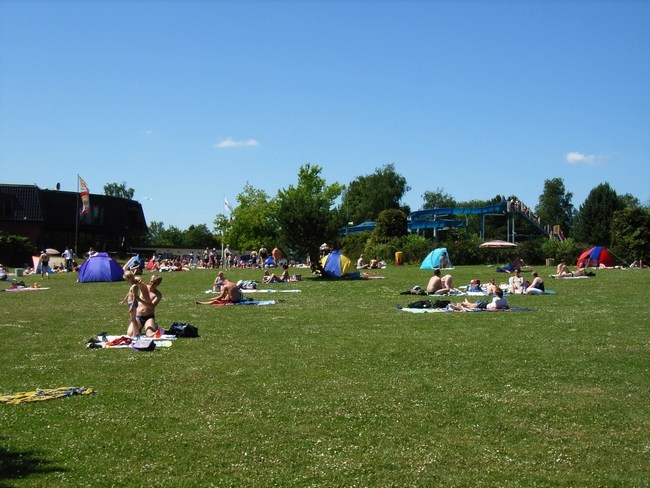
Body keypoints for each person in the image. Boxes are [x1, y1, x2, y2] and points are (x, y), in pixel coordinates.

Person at [120, 271, 142, 337]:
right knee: (132, 319)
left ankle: (136, 334)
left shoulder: (135, 286)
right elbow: (129, 293)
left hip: (133, 303)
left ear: (129, 278)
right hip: (130, 303)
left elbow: (135, 296)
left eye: (126, 279)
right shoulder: (132, 285)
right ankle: (136, 333)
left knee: (133, 319)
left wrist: (132, 305)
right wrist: (124, 300)